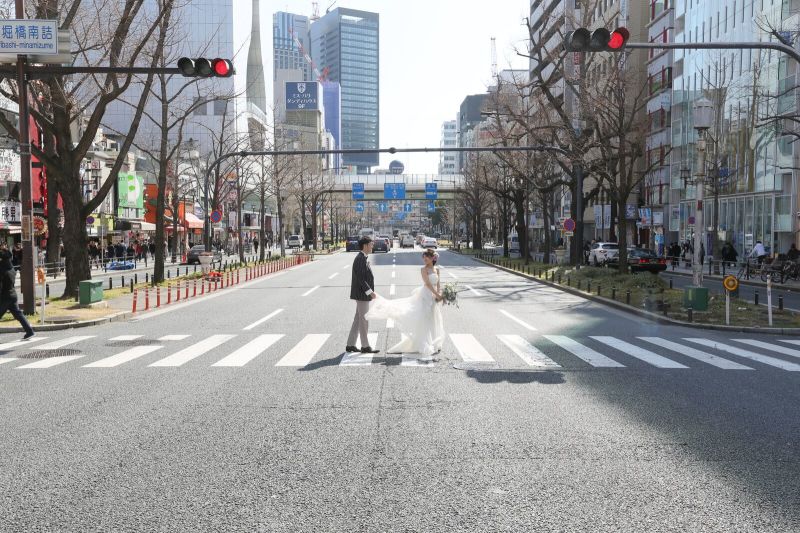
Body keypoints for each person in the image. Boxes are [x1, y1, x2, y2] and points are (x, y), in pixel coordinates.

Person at [366, 248, 445, 360]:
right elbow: (427, 284)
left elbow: (438, 283)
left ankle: (433, 342)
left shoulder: (437, 269)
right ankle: (425, 344)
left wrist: (439, 294)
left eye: (427, 258)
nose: (425, 260)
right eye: (424, 258)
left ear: (433, 258)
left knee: (433, 319)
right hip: (426, 296)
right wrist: (437, 294)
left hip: (433, 298)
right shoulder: (423, 269)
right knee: (424, 319)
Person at [345, 236, 379, 354]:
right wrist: (370, 292)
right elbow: (360, 278)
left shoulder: (362, 258)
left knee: (358, 319)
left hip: (361, 294)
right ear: (365, 245)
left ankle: (350, 344)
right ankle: (365, 346)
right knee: (364, 320)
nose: (372, 246)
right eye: (371, 244)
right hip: (362, 294)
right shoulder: (360, 258)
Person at [0, 246, 34, 340]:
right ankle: (29, 331)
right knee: (18, 314)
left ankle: (29, 331)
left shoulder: (2, 270)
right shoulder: (11, 269)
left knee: (18, 314)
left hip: (4, 296)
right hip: (12, 294)